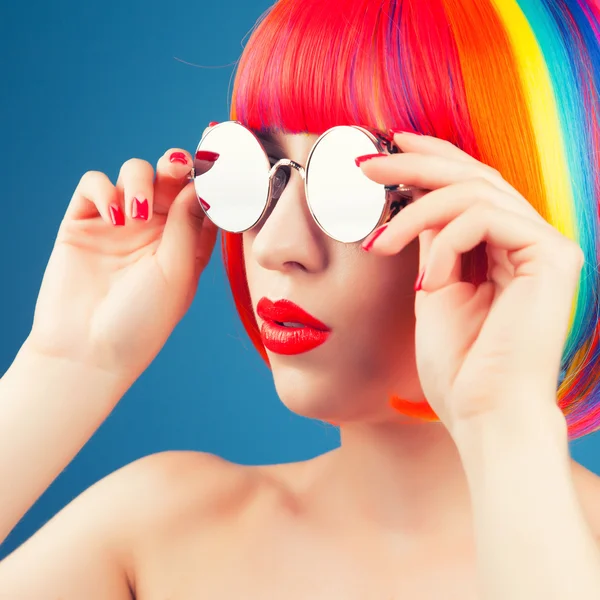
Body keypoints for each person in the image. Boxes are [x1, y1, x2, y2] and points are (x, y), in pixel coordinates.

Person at [2, 0, 600, 597]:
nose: (275, 246)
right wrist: (70, 361)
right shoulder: (154, 534)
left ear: (517, 211)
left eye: (355, 179)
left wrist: (507, 426)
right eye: (254, 163)